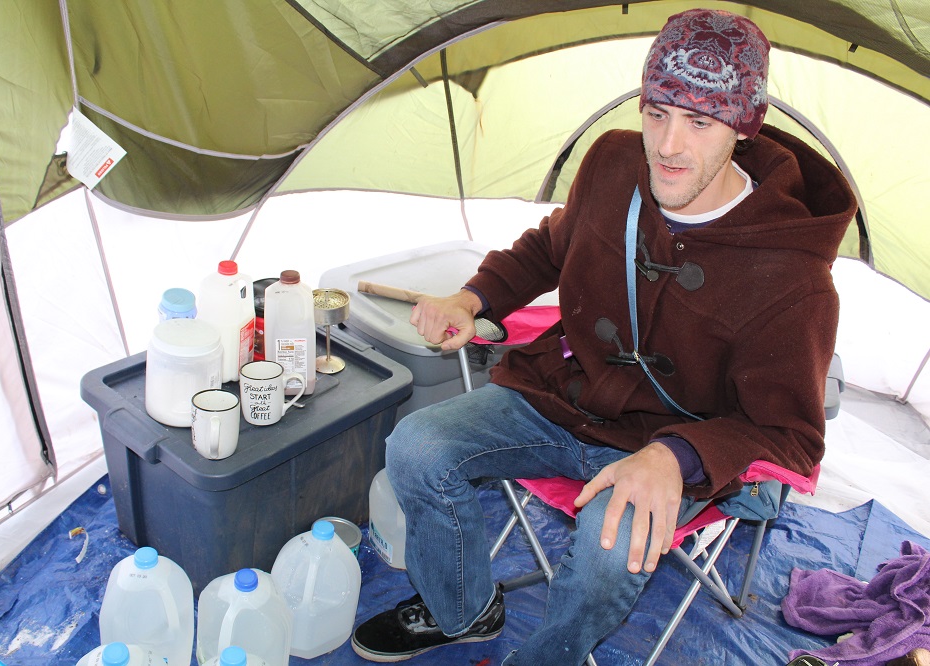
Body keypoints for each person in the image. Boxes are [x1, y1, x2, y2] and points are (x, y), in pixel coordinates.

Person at [351, 8, 858, 665]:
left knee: (609, 547)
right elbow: (548, 248)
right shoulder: (613, 164)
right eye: (657, 112)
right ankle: (464, 612)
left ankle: (550, 655)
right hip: (562, 397)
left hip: (670, 450)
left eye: (700, 122)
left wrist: (677, 457)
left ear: (742, 126)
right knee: (417, 444)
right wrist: (472, 296)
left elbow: (791, 433)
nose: (669, 146)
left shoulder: (795, 277)